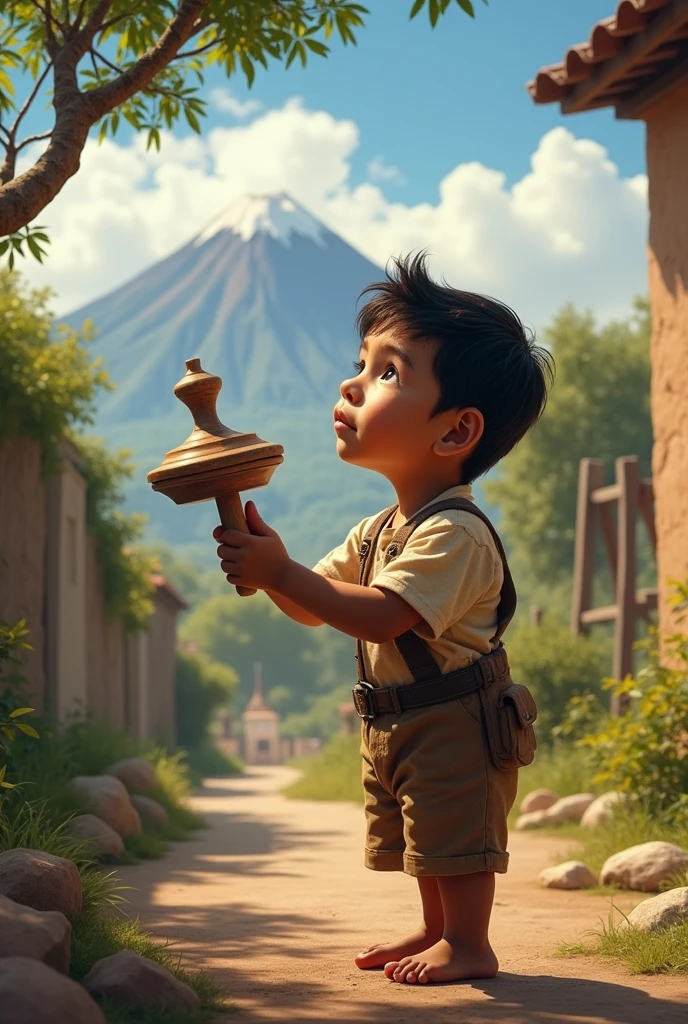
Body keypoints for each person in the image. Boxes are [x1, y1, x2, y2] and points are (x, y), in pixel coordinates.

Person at [213, 252, 554, 984]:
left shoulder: (452, 533)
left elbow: (378, 616)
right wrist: (274, 571)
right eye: (362, 363)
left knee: (454, 827)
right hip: (396, 716)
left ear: (456, 432)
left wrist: (279, 571)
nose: (352, 383)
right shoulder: (379, 529)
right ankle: (436, 928)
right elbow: (317, 607)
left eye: (388, 372)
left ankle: (469, 942)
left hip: (454, 717)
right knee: (421, 832)